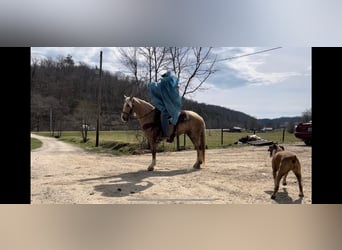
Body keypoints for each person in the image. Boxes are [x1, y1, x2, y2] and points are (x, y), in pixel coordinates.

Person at [147, 70, 182, 140]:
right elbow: (158, 89)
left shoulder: (172, 85)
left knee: (164, 115)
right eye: (163, 76)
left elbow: (174, 96)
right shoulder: (164, 85)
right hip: (166, 104)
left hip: (172, 106)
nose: (164, 78)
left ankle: (166, 134)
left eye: (164, 76)